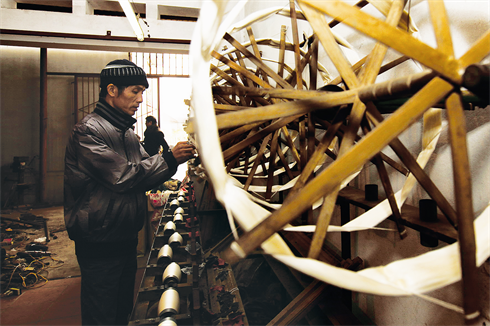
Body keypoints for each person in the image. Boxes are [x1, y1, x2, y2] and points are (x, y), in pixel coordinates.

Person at [63, 59, 195, 326]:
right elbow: (124, 177)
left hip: (123, 236)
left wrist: (179, 163)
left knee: (122, 308)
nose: (140, 98)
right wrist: (170, 158)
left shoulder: (127, 134)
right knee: (102, 313)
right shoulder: (88, 132)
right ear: (112, 90)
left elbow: (148, 172)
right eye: (134, 91)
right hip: (99, 239)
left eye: (142, 92)